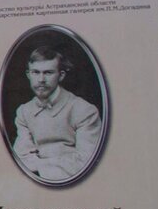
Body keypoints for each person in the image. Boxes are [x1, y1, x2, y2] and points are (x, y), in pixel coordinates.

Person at [11, 44, 103, 183]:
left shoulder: (84, 110)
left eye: (48, 73)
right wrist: (59, 163)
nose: (41, 80)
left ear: (61, 75)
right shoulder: (24, 111)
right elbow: (21, 159)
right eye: (36, 72)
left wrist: (39, 165)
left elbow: (87, 164)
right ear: (28, 75)